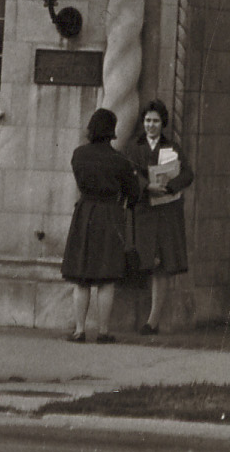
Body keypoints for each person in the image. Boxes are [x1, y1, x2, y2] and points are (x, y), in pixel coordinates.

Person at [61, 106, 143, 341]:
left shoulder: (79, 155)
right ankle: (104, 332)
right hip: (110, 215)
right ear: (112, 131)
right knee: (106, 278)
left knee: (81, 277)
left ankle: (79, 330)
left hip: (85, 213)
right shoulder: (120, 161)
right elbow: (134, 194)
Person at [121, 99, 195, 333]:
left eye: (155, 121)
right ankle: (132, 317)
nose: (151, 125)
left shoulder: (172, 148)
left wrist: (171, 186)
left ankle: (152, 320)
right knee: (142, 260)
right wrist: (145, 187)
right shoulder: (134, 147)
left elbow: (187, 173)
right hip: (143, 211)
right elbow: (127, 173)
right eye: (147, 121)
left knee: (161, 264)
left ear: (163, 123)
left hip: (165, 211)